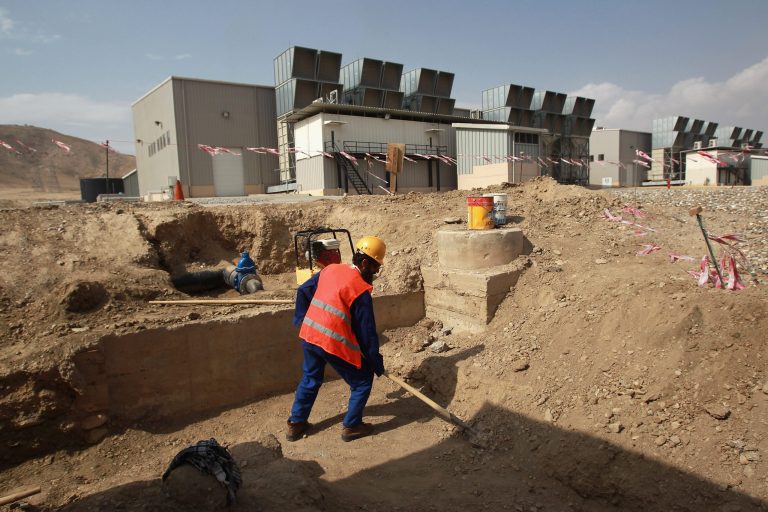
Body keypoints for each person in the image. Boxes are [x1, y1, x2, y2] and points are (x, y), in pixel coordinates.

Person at [286, 236, 387, 442]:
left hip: (310, 334)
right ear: (365, 262)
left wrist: (302, 319)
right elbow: (367, 334)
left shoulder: (331, 269)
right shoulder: (360, 290)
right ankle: (352, 426)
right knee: (362, 381)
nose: (376, 273)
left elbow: (304, 289)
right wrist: (375, 363)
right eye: (375, 268)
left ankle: (295, 423)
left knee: (310, 378)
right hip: (331, 342)